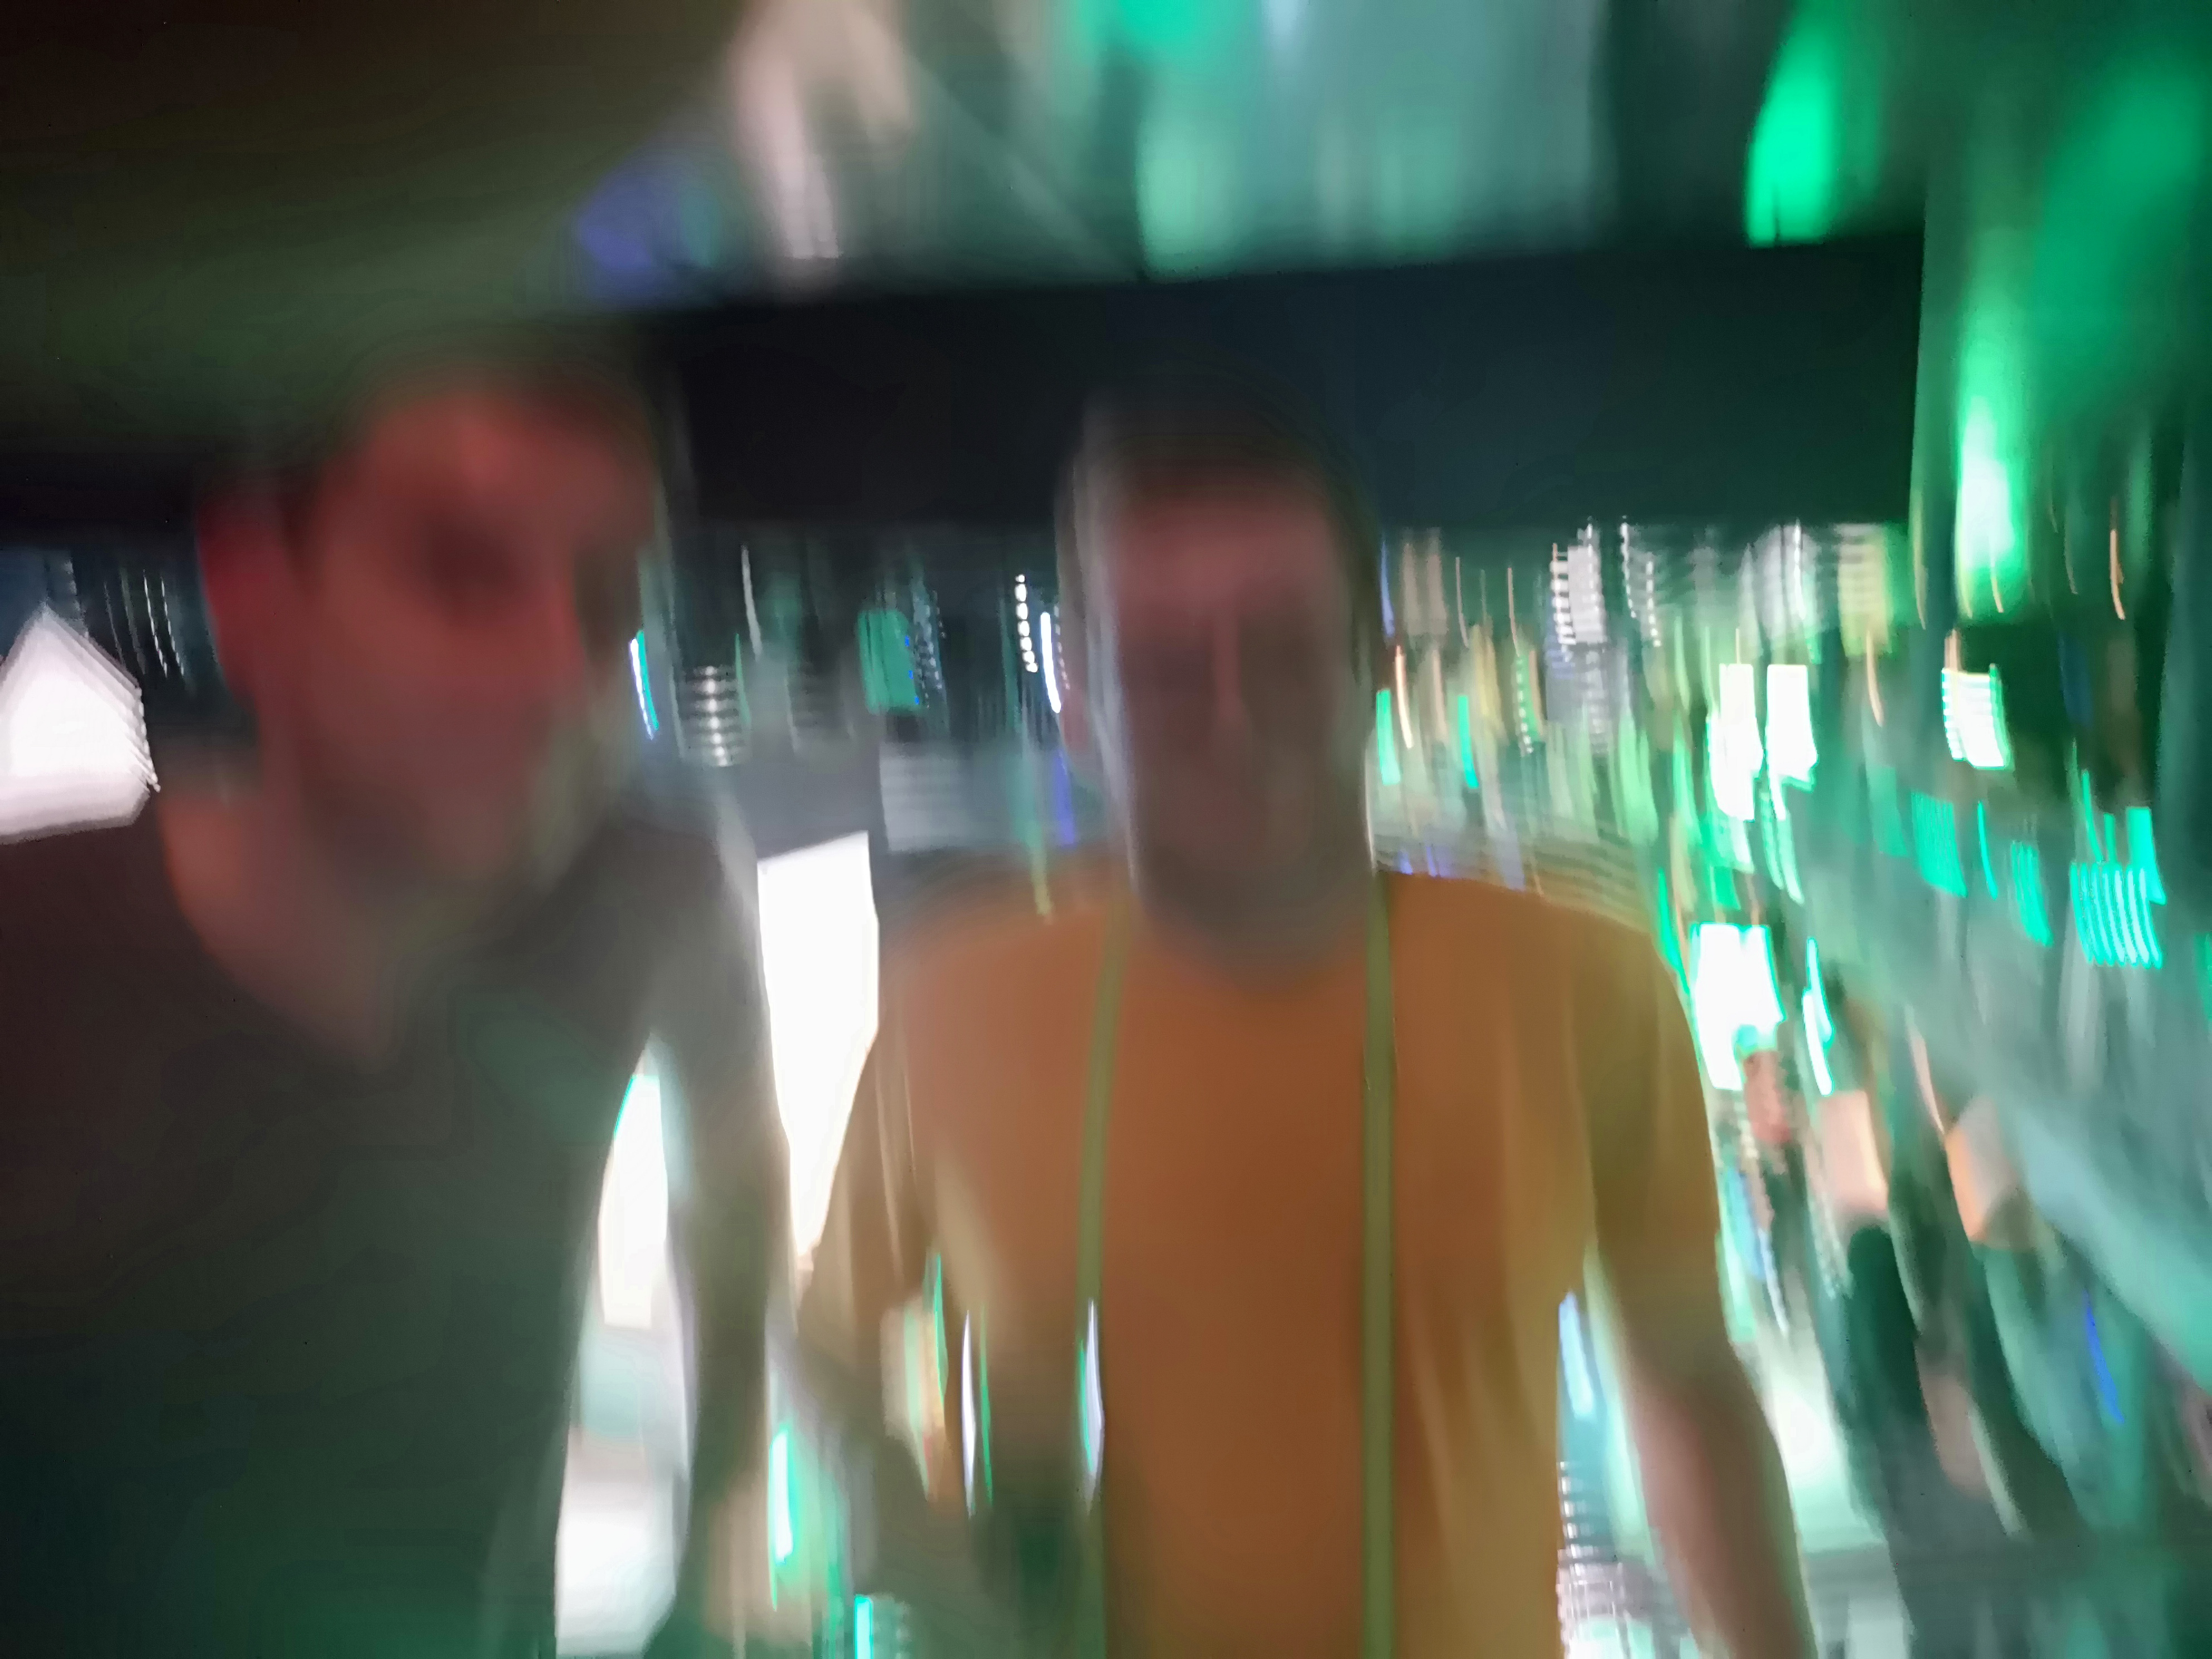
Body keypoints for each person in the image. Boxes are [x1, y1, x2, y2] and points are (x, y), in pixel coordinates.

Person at [797, 377, 1815, 1656]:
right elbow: (826, 1346)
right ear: (1081, 698)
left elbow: (1690, 1388)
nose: (1231, 721)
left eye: (1279, 652)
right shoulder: (958, 1014)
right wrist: (887, 1508)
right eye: (1167, 668)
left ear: (1371, 668)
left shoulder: (1581, 992)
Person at [0, 345, 785, 1659]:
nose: (562, 673)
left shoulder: (650, 890)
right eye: (462, 572)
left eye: (607, 602)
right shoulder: (26, 957)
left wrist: (719, 1540)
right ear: (252, 595)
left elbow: (741, 1186)